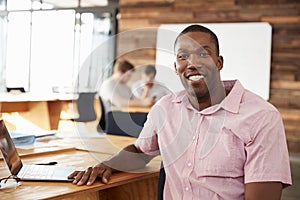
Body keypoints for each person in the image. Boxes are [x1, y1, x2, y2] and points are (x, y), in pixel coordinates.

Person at [69, 24, 292, 199]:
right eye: (183, 56)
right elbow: (140, 150)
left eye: (203, 54)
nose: (192, 63)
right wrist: (107, 164)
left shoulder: (261, 117)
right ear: (176, 67)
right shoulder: (165, 108)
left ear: (219, 62)